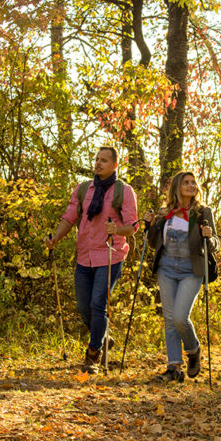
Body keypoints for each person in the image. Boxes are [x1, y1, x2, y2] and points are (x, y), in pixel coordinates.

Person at [45, 147, 139, 374]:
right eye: (97, 159)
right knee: (83, 306)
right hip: (84, 255)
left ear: (115, 165)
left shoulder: (124, 191)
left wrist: (117, 229)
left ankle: (93, 354)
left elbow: (132, 227)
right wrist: (56, 237)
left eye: (104, 161)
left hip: (110, 254)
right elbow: (69, 217)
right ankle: (104, 337)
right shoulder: (83, 189)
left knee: (98, 304)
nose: (98, 164)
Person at [144, 170, 219, 382]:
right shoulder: (164, 212)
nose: (191, 185)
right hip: (166, 268)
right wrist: (149, 226)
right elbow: (153, 243)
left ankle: (193, 350)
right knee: (169, 319)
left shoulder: (203, 212)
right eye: (186, 182)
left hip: (191, 270)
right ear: (177, 186)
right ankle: (174, 368)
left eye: (193, 182)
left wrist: (209, 238)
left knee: (179, 317)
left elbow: (215, 244)